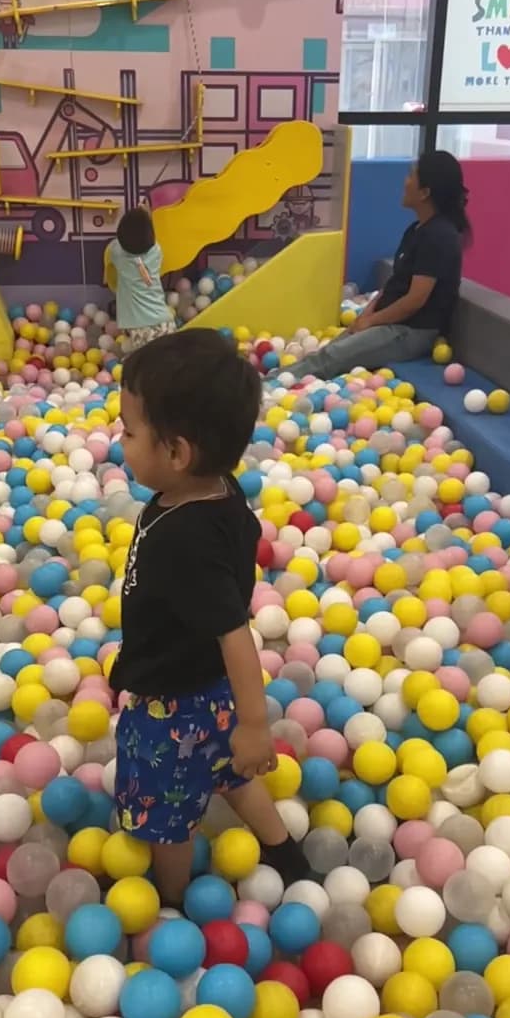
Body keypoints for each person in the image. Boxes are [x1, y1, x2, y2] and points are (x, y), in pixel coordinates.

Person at [110, 329, 308, 905]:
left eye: (128, 430)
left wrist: (254, 724)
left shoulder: (186, 541)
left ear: (176, 453)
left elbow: (234, 632)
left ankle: (170, 895)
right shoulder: (219, 489)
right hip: (205, 685)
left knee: (164, 811)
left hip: (172, 702)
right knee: (231, 774)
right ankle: (284, 854)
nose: (120, 440)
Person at [285, 150, 471, 382]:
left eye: (411, 176)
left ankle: (268, 386)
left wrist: (372, 321)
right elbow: (395, 283)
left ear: (425, 192)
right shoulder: (417, 230)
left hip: (410, 331)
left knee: (332, 357)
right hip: (391, 323)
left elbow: (415, 301)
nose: (405, 182)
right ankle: (277, 381)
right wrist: (367, 314)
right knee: (329, 353)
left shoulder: (439, 235)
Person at [104, 202, 175, 352]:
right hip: (165, 322)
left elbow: (117, 244)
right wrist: (146, 214)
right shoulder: (156, 252)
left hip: (141, 328)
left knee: (146, 367)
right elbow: (147, 236)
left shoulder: (117, 254)